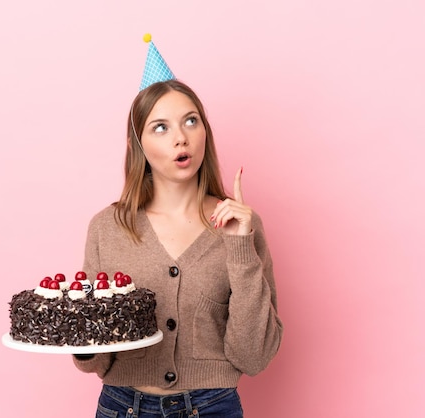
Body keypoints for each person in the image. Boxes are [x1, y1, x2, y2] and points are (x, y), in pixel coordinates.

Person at [73, 37, 283, 418]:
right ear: (139, 144)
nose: (180, 137)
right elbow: (95, 361)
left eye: (191, 120)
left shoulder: (241, 225)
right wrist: (81, 336)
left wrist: (239, 248)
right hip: (123, 407)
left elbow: (253, 356)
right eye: (160, 127)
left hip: (212, 407)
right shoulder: (108, 228)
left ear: (205, 131)